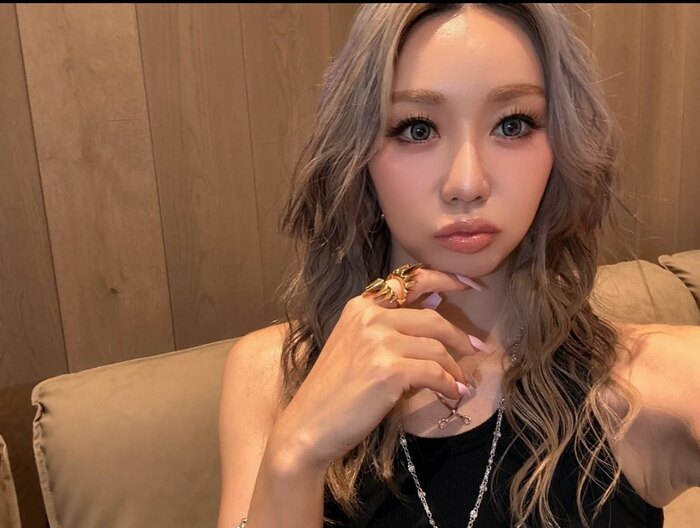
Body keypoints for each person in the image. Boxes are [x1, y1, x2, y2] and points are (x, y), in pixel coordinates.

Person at [217, 3, 700, 527]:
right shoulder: (271, 377)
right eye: (417, 129)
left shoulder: (660, 383)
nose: (467, 183)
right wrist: (296, 454)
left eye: (513, 124)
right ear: (357, 154)